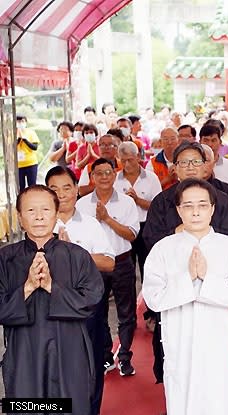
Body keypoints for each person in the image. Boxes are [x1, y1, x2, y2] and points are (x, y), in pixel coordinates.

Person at [143, 178, 228, 415]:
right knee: (182, 396)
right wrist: (187, 280)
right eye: (188, 206)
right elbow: (153, 297)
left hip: (218, 341)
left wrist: (208, 280)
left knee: (221, 397)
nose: (195, 212)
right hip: (179, 339)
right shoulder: (163, 249)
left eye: (202, 205)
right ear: (178, 210)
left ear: (213, 208)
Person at [0, 185, 104, 414]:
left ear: (56, 214)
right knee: (26, 408)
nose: (39, 217)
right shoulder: (5, 259)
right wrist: (27, 288)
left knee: (71, 407)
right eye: (30, 210)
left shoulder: (77, 255)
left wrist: (50, 287)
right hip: (24, 353)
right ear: (19, 217)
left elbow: (92, 300)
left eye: (46, 209)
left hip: (70, 351)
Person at [45, 166, 115, 415]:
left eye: (67, 187)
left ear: (77, 189)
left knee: (90, 367)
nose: (62, 194)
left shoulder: (90, 224)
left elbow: (109, 262)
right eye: (54, 188)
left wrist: (75, 252)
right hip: (48, 309)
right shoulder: (39, 225)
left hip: (87, 309)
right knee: (52, 369)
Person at [76, 158, 140, 377]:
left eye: (108, 172)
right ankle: (105, 356)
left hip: (122, 261)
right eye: (99, 173)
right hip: (95, 264)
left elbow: (132, 235)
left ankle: (124, 357)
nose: (104, 177)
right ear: (92, 177)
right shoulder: (81, 204)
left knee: (126, 313)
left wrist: (107, 219)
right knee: (97, 312)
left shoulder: (126, 202)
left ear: (115, 175)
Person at [115, 142, 162, 281]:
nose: (127, 164)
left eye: (130, 159)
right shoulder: (115, 179)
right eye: (123, 161)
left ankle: (147, 299)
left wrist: (137, 200)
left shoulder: (151, 177)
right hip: (124, 228)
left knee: (147, 266)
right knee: (126, 270)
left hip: (146, 227)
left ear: (137, 157)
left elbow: (157, 207)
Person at [199, 123, 228, 198]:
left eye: (213, 140)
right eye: (206, 140)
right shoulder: (193, 166)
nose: (210, 144)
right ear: (199, 142)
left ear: (220, 142)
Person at [16, 114, 40, 190]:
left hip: (31, 164)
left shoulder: (31, 132)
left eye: (22, 121)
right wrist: (18, 140)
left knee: (32, 186)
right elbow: (10, 147)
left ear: (26, 122)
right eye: (18, 121)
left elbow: (35, 147)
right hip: (18, 165)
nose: (20, 123)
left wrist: (25, 140)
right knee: (20, 187)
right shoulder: (12, 133)